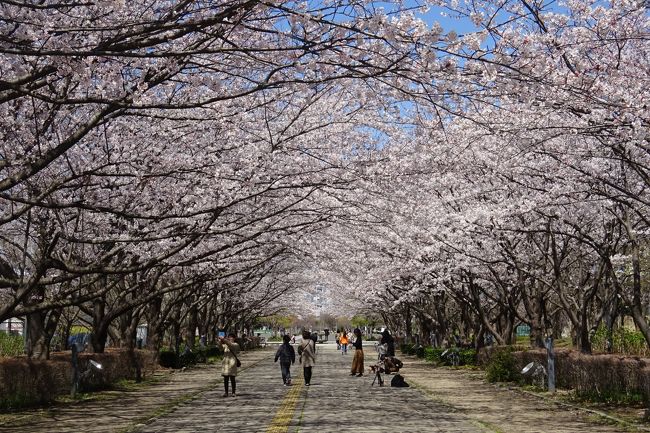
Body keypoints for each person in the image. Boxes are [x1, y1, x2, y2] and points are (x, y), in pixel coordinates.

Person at [217, 333, 241, 397]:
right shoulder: (225, 345)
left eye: (231, 337)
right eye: (229, 337)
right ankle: (226, 392)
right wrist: (219, 341)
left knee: (232, 378)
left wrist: (224, 339)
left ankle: (233, 392)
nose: (230, 338)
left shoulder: (236, 344)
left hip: (232, 362)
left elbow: (231, 345)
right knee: (225, 378)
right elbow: (220, 348)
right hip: (225, 363)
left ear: (234, 338)